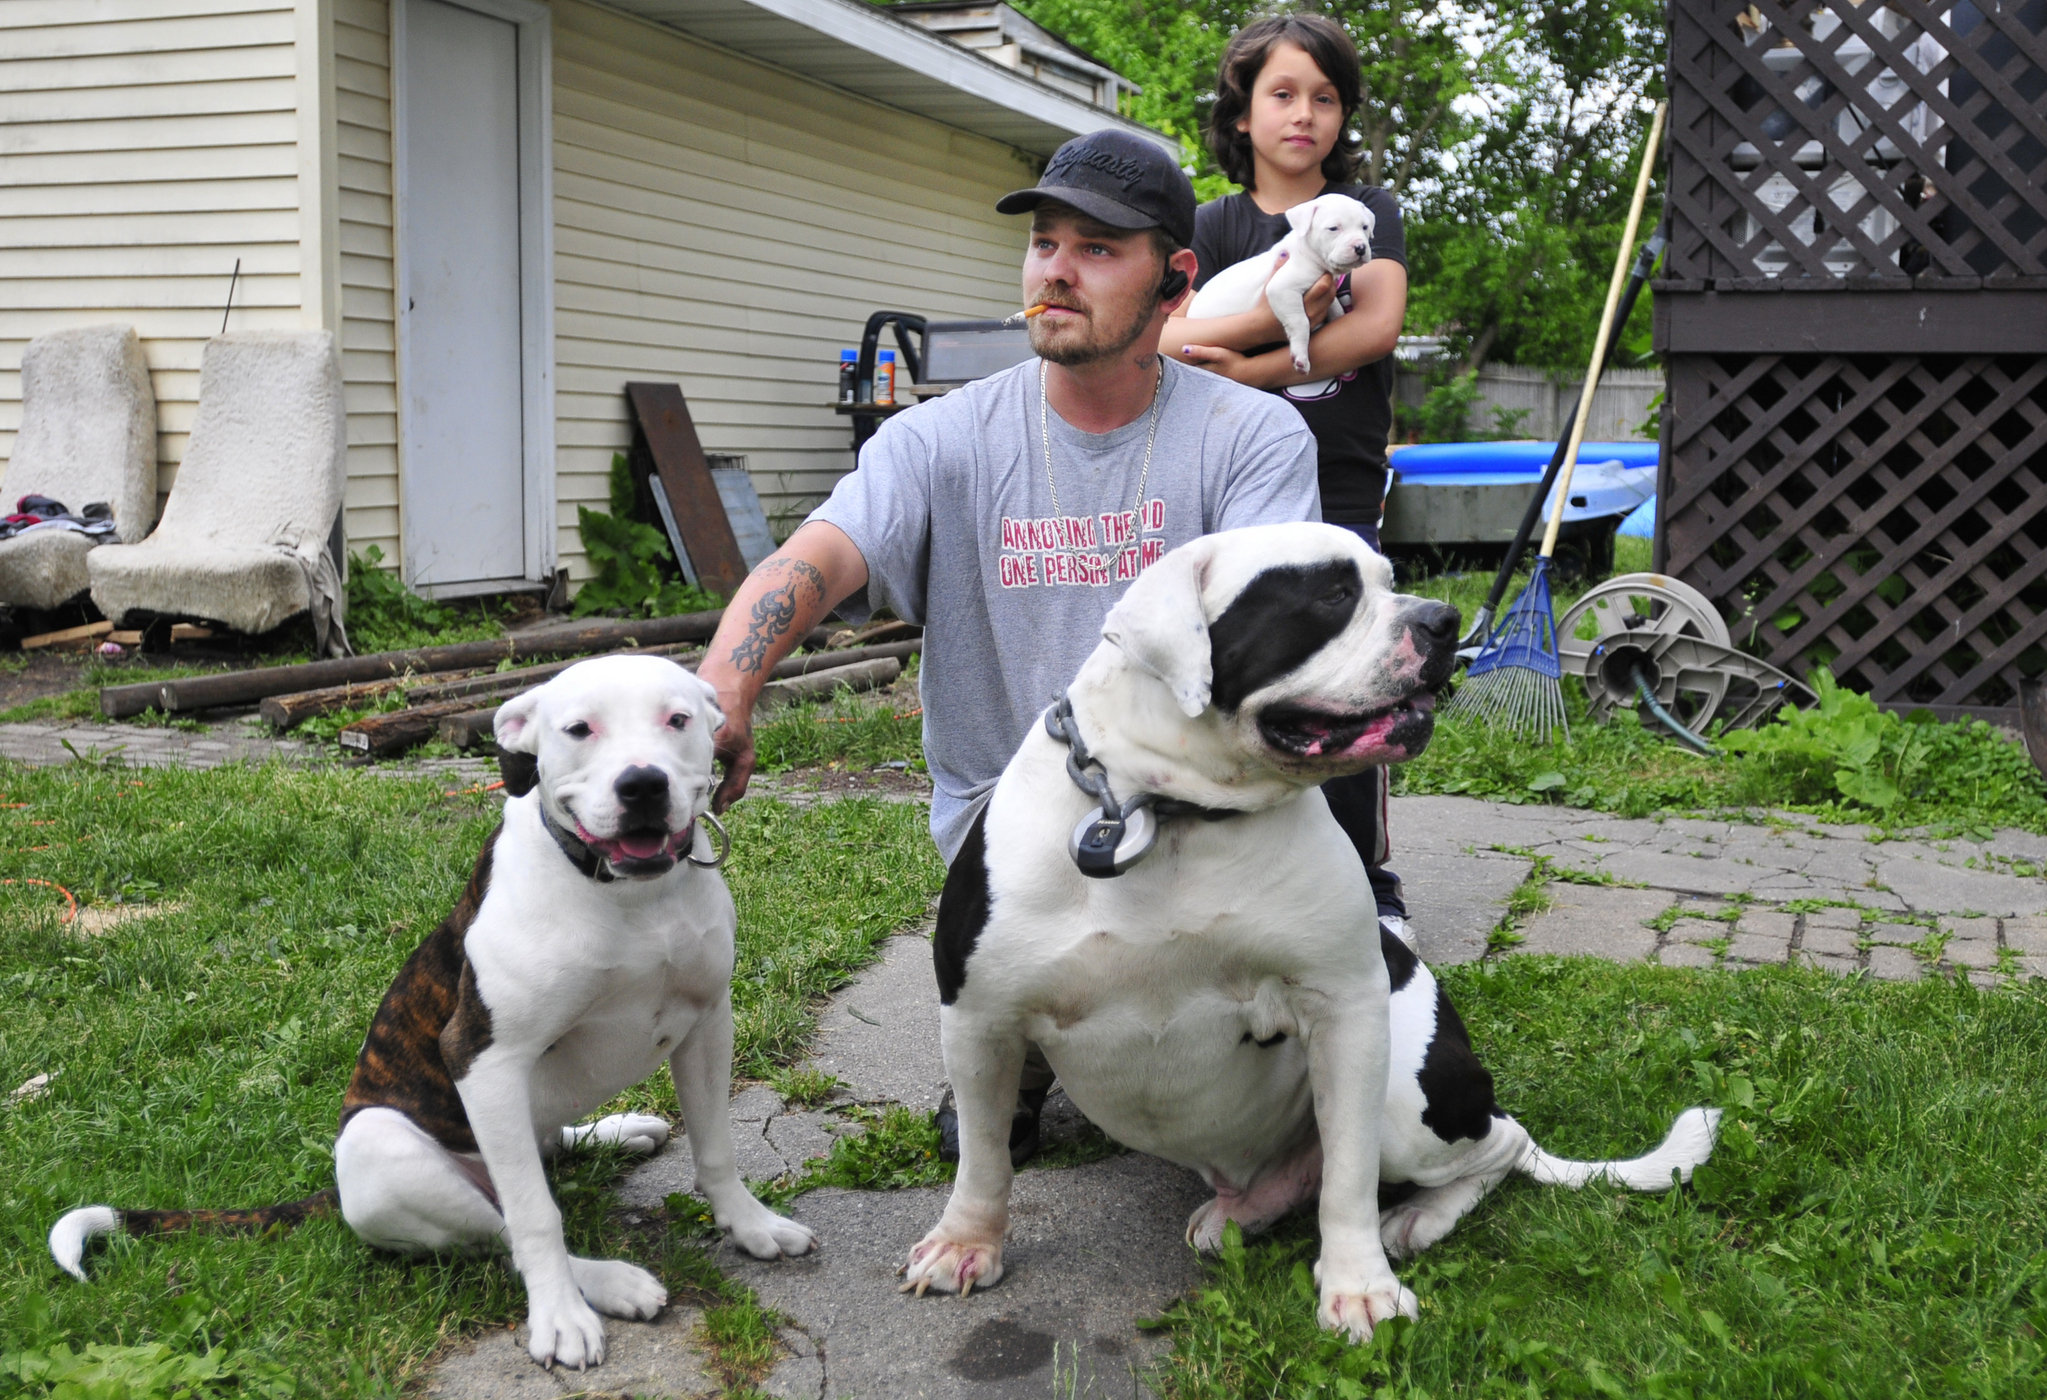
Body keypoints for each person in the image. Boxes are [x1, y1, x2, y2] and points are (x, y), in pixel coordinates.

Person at [695, 128, 1321, 1163]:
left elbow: (1275, 640)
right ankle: (1021, 1049)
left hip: (1195, 818)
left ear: (1174, 282)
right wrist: (724, 687)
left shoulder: (1249, 438)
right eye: (1044, 243)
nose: (1056, 270)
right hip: (1013, 843)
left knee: (1236, 1116)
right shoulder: (938, 440)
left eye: (1098, 247)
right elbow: (811, 560)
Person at [1163, 12, 1413, 930]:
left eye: (1324, 96)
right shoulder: (1212, 223)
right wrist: (1276, 317)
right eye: (1281, 94)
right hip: (1224, 484)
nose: (1303, 113)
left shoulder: (1369, 214)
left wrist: (1253, 366)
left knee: (1353, 674)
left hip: (1338, 479)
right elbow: (1167, 335)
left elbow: (1374, 325)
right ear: (1240, 114)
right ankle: (1233, 868)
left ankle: (1365, 883)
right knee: (1235, 678)